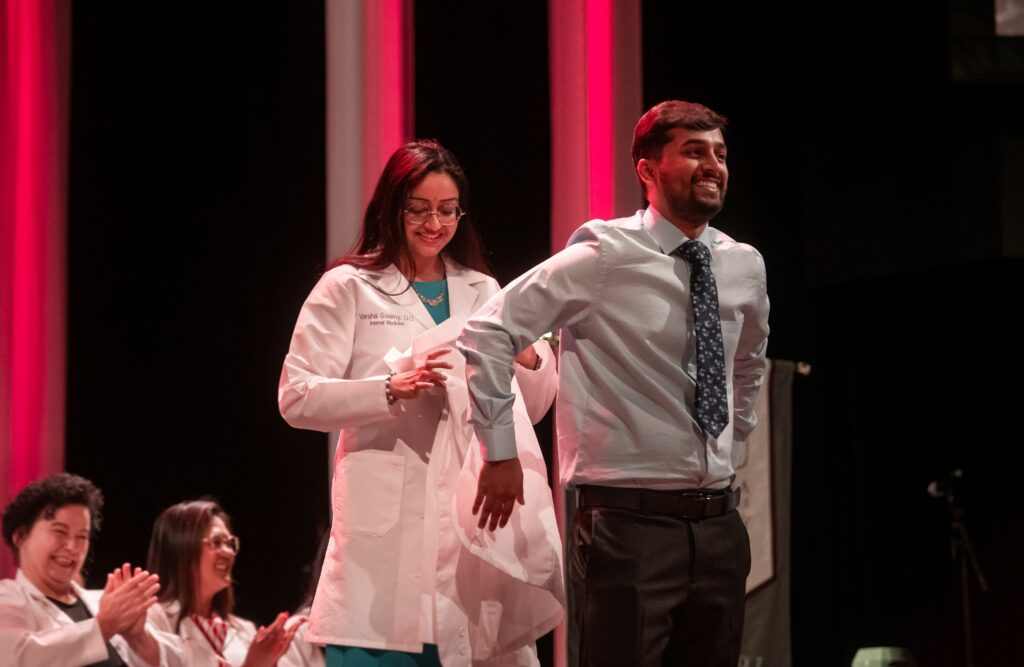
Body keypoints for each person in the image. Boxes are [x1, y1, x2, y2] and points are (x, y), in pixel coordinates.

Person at [458, 100, 770, 666]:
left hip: (720, 527)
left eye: (720, 154)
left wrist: (735, 439)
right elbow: (486, 333)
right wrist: (497, 451)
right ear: (647, 170)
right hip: (629, 528)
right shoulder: (603, 254)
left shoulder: (743, 263)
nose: (713, 166)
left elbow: (749, 363)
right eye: (694, 152)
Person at [278, 140, 564, 667]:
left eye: (447, 209)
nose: (435, 223)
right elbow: (297, 397)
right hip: (384, 540)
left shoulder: (484, 291)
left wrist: (528, 357)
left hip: (474, 517)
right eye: (420, 209)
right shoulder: (349, 287)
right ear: (393, 208)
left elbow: (536, 407)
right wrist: (389, 387)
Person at [0, 473, 184, 667]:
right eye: (59, 531)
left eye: (82, 536)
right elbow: (16, 658)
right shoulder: (7, 599)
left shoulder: (102, 602)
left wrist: (138, 637)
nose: (72, 546)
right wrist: (103, 627)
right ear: (20, 536)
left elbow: (182, 661)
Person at [145, 499, 308, 666]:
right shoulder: (153, 620)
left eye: (230, 543)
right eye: (216, 542)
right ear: (182, 549)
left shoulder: (243, 630)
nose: (229, 552)